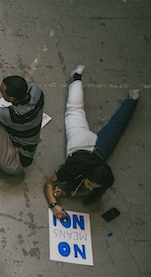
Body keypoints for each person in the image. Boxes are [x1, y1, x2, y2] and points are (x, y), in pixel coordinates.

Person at [45, 65, 139, 221]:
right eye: (88, 184)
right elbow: (49, 183)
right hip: (80, 142)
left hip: (99, 150)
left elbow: (86, 191)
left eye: (92, 186)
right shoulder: (73, 167)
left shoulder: (100, 176)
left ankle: (132, 100)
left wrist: (64, 193)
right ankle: (76, 79)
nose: (88, 188)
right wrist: (54, 205)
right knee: (75, 110)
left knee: (112, 124)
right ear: (85, 174)